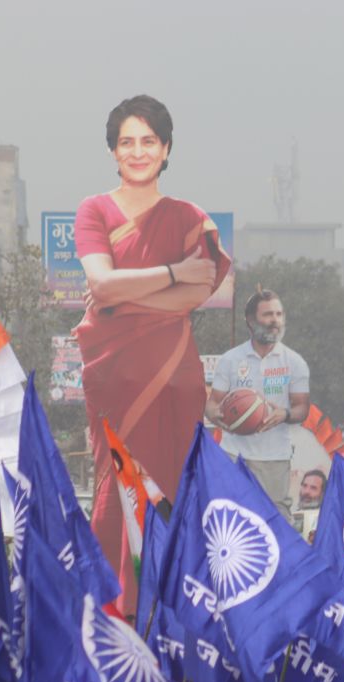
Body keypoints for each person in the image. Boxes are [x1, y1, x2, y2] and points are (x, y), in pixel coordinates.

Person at [74, 94, 230, 596]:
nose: (137, 152)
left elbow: (199, 289)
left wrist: (129, 295)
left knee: (174, 487)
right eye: (126, 143)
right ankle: (113, 608)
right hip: (113, 374)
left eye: (148, 141)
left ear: (166, 149)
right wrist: (170, 275)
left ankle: (174, 606)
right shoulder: (93, 210)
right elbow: (101, 285)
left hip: (175, 377)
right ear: (112, 152)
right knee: (114, 486)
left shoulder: (189, 217)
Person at [207, 290, 309, 521]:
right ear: (251, 321)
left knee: (277, 521)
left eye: (279, 314)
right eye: (268, 315)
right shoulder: (231, 360)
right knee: (230, 520)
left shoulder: (294, 362)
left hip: (274, 457)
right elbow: (212, 404)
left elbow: (302, 408)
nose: (275, 320)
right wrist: (219, 417)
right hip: (234, 454)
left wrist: (284, 414)